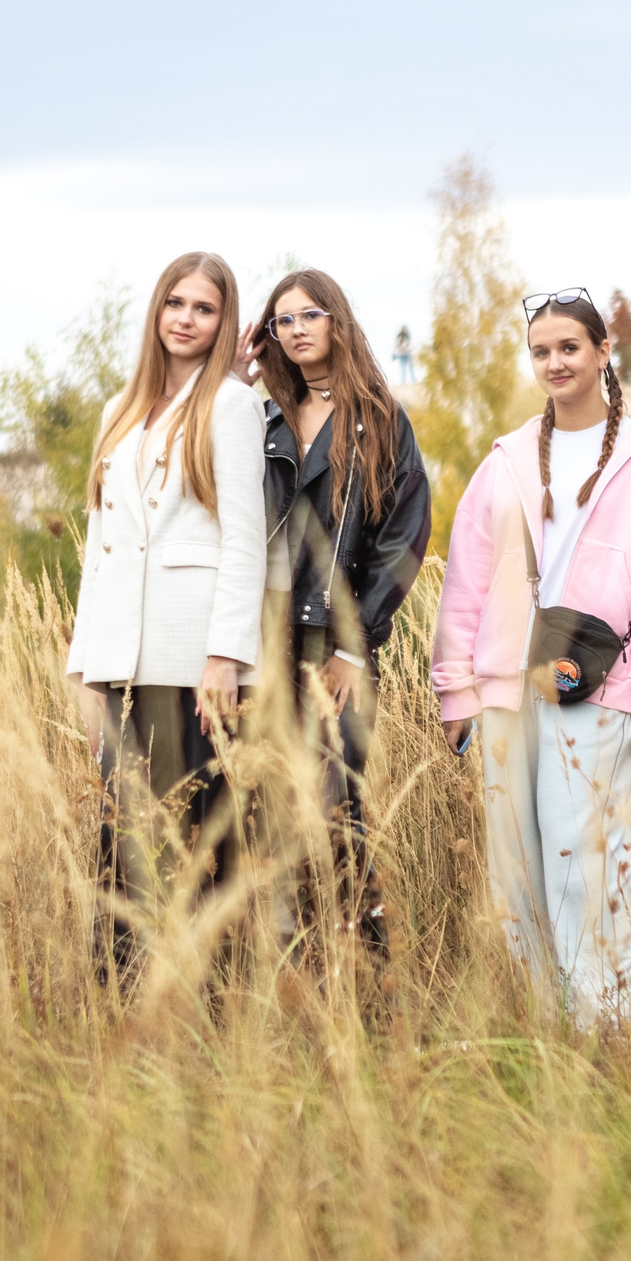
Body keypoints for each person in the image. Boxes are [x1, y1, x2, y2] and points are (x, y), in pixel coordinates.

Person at [429, 286, 631, 1024]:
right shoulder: (508, 461)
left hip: (601, 685)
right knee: (514, 864)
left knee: (585, 858)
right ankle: (543, 1021)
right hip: (506, 689)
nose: (554, 362)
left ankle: (616, 1018)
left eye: (569, 348)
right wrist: (456, 691)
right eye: (541, 351)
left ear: (602, 351)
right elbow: (467, 579)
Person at [65, 251, 267, 976]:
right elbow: (100, 548)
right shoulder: (118, 410)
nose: (186, 318)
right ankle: (121, 1003)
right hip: (121, 661)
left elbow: (246, 540)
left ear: (224, 322)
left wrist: (226, 657)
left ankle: (216, 1008)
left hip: (192, 662)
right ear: (157, 312)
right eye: (175, 303)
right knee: (123, 842)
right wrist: (85, 669)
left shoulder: (235, 406)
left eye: (204, 308)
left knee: (199, 841)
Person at [242, 269, 431, 956]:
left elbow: (404, 536)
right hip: (260, 643)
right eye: (281, 319)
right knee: (262, 806)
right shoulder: (258, 420)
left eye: (309, 314)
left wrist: (356, 642)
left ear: (337, 323)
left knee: (333, 805)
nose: (295, 329)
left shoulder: (379, 418)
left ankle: (367, 966)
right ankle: (288, 969)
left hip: (334, 646)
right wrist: (235, 387)